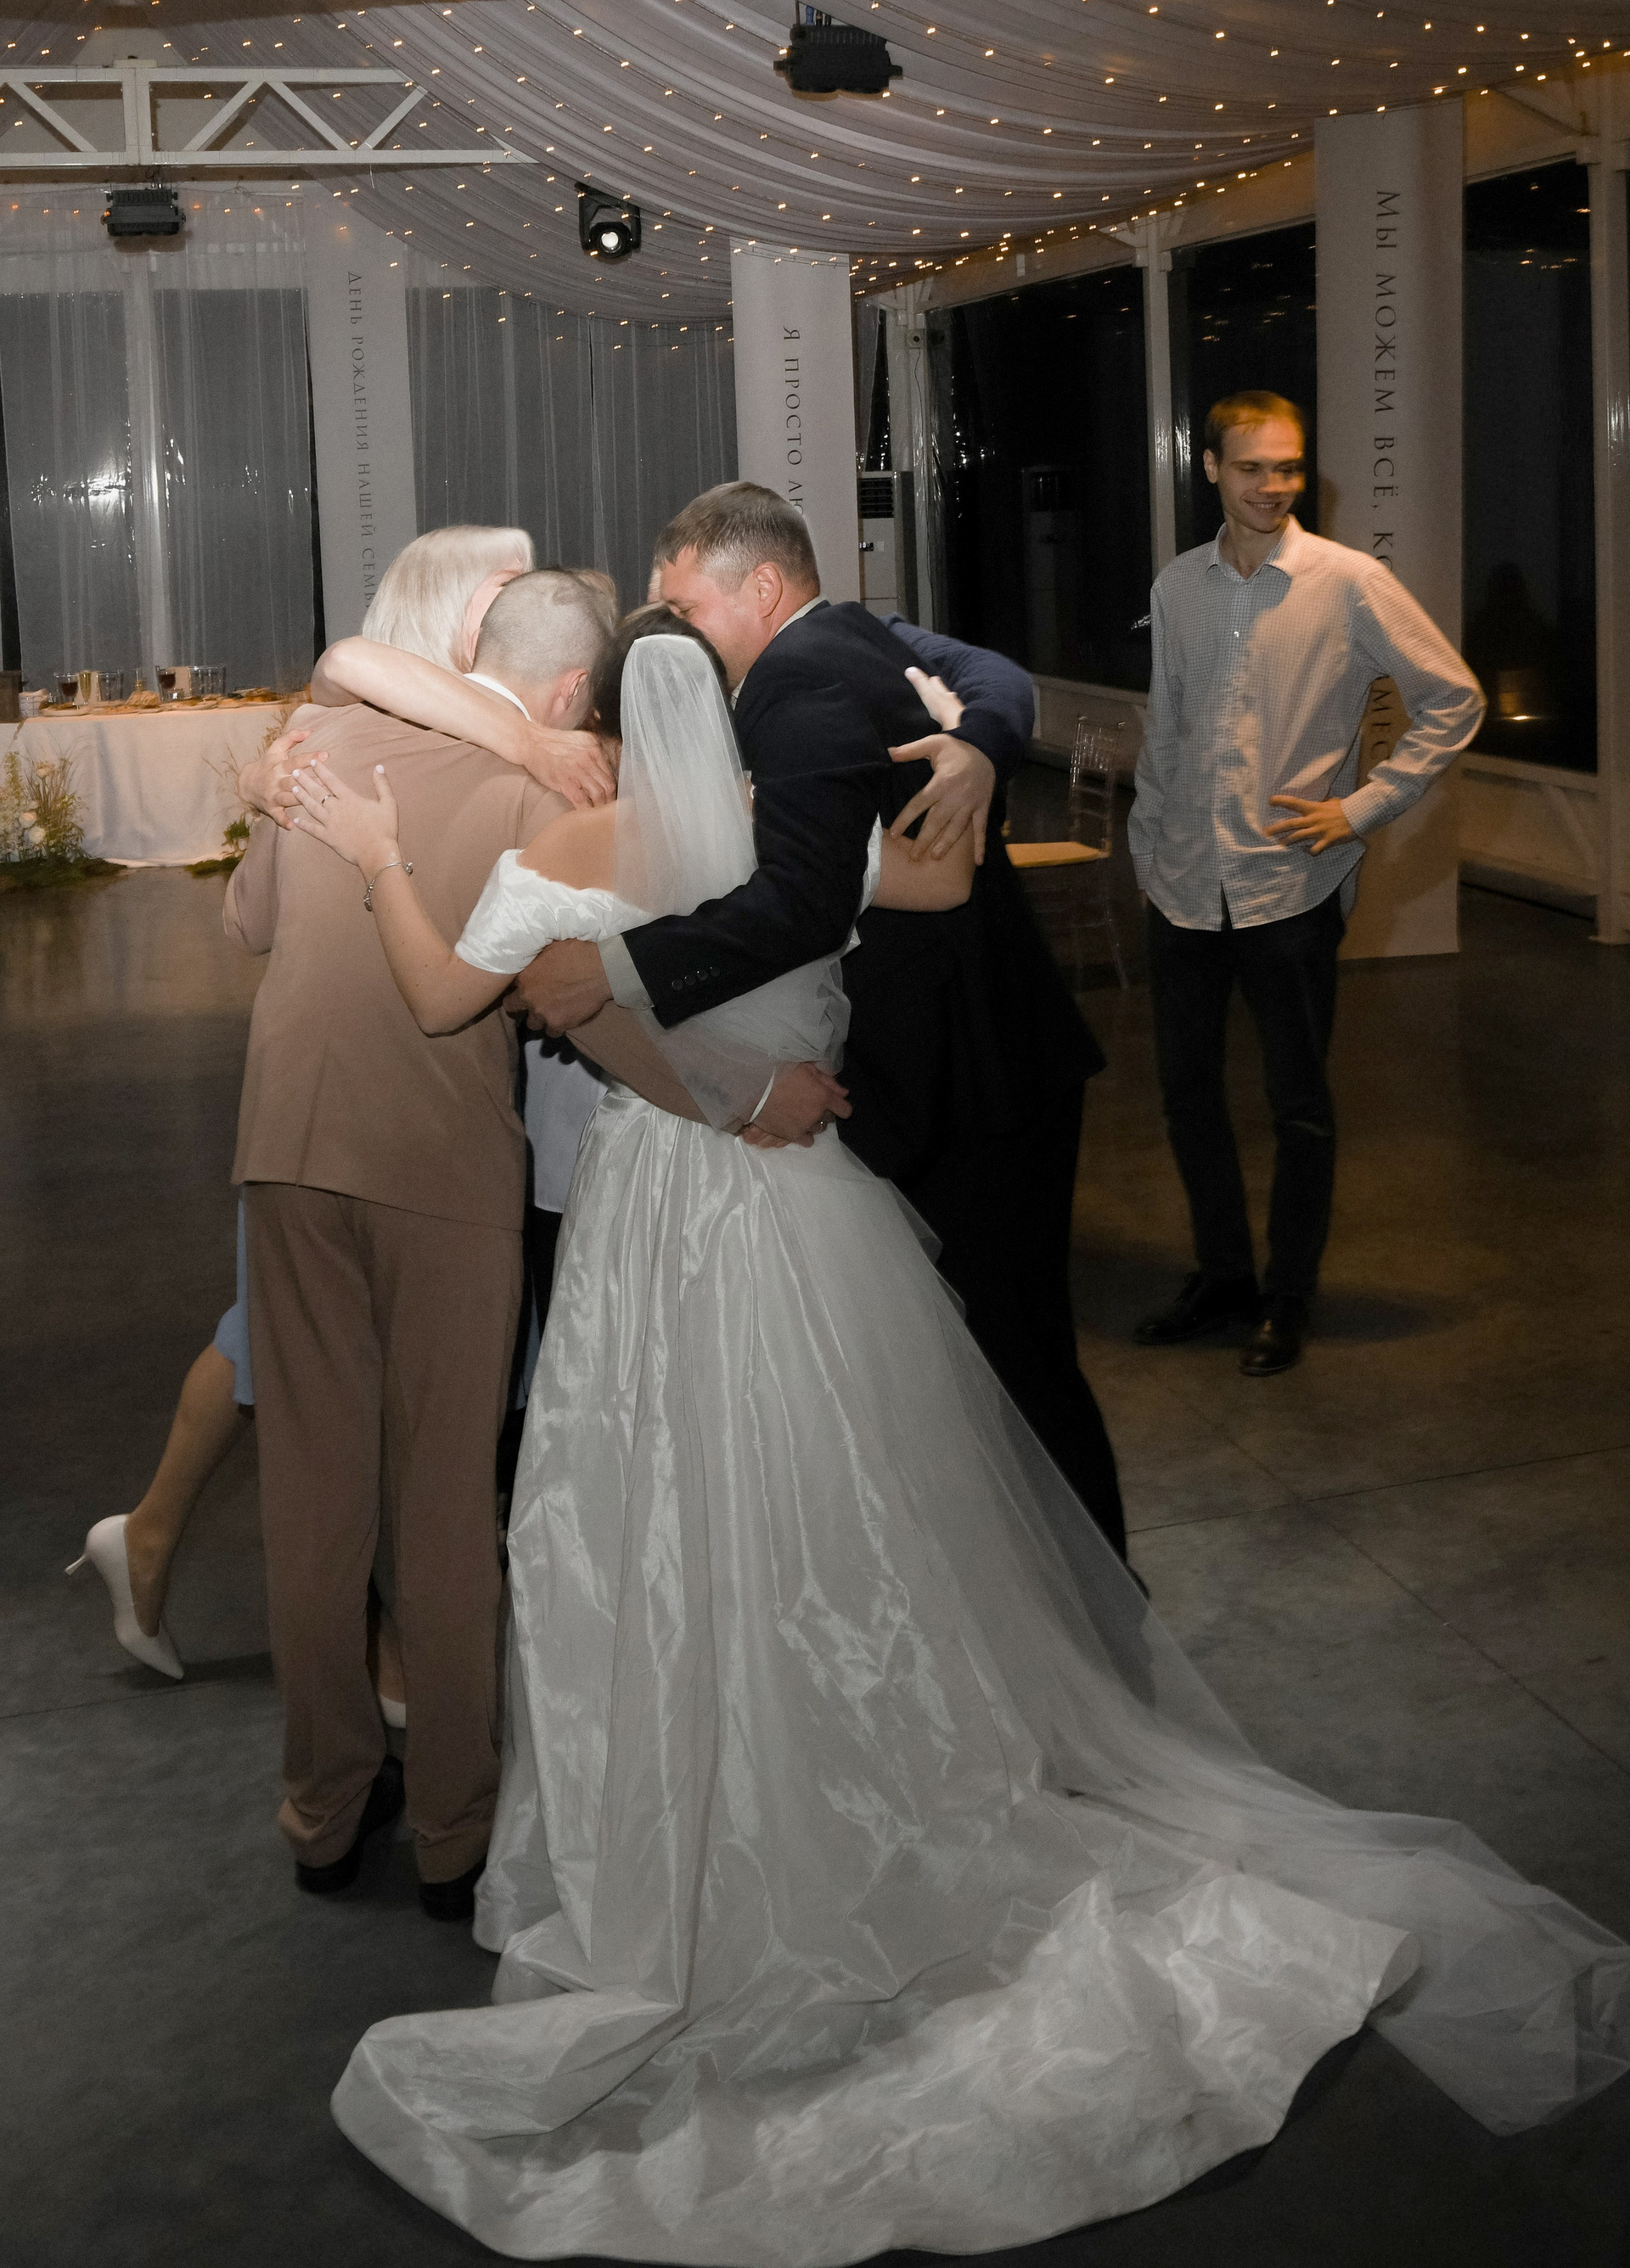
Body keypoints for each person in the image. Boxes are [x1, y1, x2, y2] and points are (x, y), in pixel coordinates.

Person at [284, 619, 1627, 2264]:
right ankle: (874, 1772)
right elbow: (947, 874)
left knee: (661, 1513)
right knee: (856, 1516)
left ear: (606, 730)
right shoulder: (801, 841)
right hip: (809, 1213)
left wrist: (377, 855)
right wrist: (961, 738)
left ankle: (701, 1807)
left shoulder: (570, 848)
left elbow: (443, 997)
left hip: (655, 1223)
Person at [514, 482, 1127, 1559]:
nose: (675, 636)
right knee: (985, 1359)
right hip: (972, 1058)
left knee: (1015, 1362)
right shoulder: (845, 639)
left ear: (761, 587)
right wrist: (985, 740)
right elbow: (987, 692)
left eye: (687, 608)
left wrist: (608, 968)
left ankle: (1088, 1601)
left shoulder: (799, 684)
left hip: (966, 1076)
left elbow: (800, 901)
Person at [65, 528, 612, 1682]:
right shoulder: (435, 746)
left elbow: (254, 917)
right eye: (498, 593)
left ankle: (324, 1650)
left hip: (314, 1125)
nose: (511, 613)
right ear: (448, 620)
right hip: (396, 1129)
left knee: (300, 1387)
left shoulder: (351, 741)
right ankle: (395, 1664)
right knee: (360, 1409)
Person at [223, 570, 610, 1920]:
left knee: (311, 1495)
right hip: (440, 1169)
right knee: (444, 1502)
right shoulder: (538, 798)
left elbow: (248, 924)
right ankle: (454, 1831)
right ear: (570, 692)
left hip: (287, 1147)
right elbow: (568, 998)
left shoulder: (319, 743)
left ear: (463, 649)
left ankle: (322, 1813)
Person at [1131, 391, 1485, 1376]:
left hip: (1289, 887)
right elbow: (1168, 726)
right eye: (1252, 467)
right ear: (1211, 467)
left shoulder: (1351, 581)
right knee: (1187, 1097)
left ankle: (1286, 1296)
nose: (1273, 485)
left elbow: (1453, 699)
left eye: (1288, 466)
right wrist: (1147, 852)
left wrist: (1363, 807)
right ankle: (1223, 1276)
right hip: (1184, 884)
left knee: (1299, 1105)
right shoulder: (1179, 585)